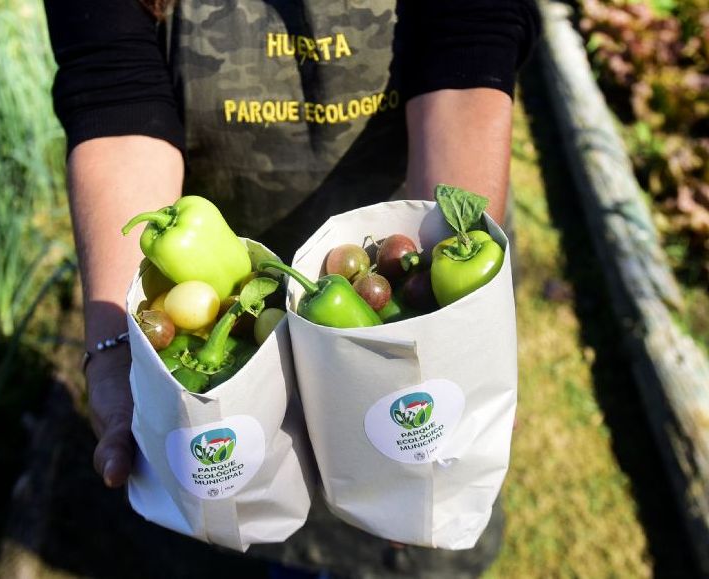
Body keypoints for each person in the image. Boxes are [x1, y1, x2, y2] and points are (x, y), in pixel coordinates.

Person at [43, 0, 540, 575]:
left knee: (414, 474)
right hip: (225, 304)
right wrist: (115, 346)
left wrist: (447, 325)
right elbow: (115, 91)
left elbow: (469, 43)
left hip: (401, 270)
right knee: (222, 504)